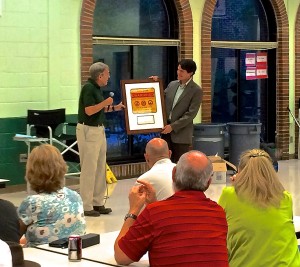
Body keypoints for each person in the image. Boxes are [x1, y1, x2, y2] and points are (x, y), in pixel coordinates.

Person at [114, 150, 229, 266]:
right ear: (209, 182)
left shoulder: (155, 213)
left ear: (173, 174)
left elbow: (121, 256)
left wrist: (133, 210)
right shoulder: (218, 213)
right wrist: (154, 205)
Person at [218, 149, 300, 267]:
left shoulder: (229, 195)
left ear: (239, 172)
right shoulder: (285, 198)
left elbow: (221, 230)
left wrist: (236, 186)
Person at [77, 62, 125, 217]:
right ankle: (86, 205)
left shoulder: (96, 89)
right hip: (88, 129)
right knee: (89, 168)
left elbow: (98, 108)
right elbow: (89, 110)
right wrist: (106, 102)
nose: (109, 76)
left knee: (99, 167)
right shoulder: (88, 88)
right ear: (100, 75)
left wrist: (114, 108)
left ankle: (98, 202)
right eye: (107, 73)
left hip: (98, 129)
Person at [17, 144, 86, 247]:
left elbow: (12, 237)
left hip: (42, 257)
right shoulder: (75, 196)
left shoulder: (31, 203)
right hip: (71, 251)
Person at [151, 59, 203, 163]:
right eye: (178, 70)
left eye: (182, 71)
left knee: (179, 164)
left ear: (190, 73)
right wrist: (155, 84)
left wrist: (173, 126)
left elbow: (190, 115)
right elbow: (160, 98)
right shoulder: (172, 84)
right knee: (164, 162)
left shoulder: (196, 90)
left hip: (181, 133)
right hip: (165, 129)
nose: (178, 73)